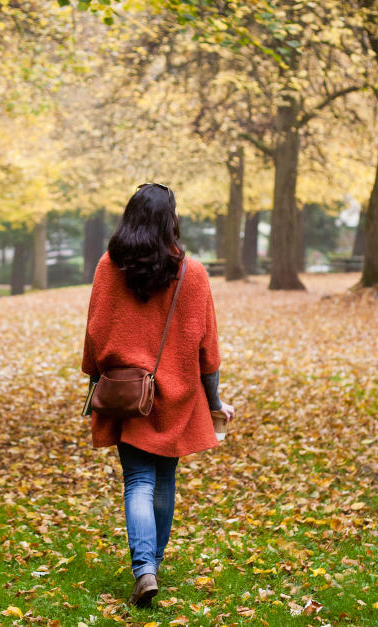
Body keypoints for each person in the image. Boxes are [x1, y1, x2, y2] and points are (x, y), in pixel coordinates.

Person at [80, 183, 235, 608]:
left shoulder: (109, 267)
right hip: (178, 394)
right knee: (163, 479)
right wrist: (214, 401)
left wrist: (95, 373)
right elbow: (209, 350)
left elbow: (94, 332)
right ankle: (152, 566)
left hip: (127, 392)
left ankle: (144, 569)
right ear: (172, 220)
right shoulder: (193, 273)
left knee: (137, 480)